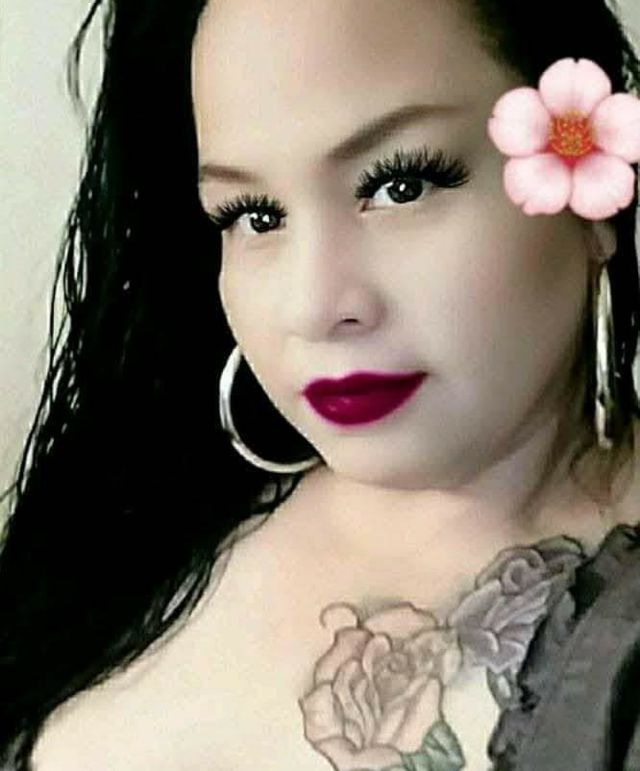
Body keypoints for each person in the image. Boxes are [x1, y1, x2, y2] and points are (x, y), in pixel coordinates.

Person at [2, 0, 640, 768]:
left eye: (400, 184)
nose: (310, 305)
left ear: (596, 180)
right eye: (254, 215)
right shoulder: (131, 513)